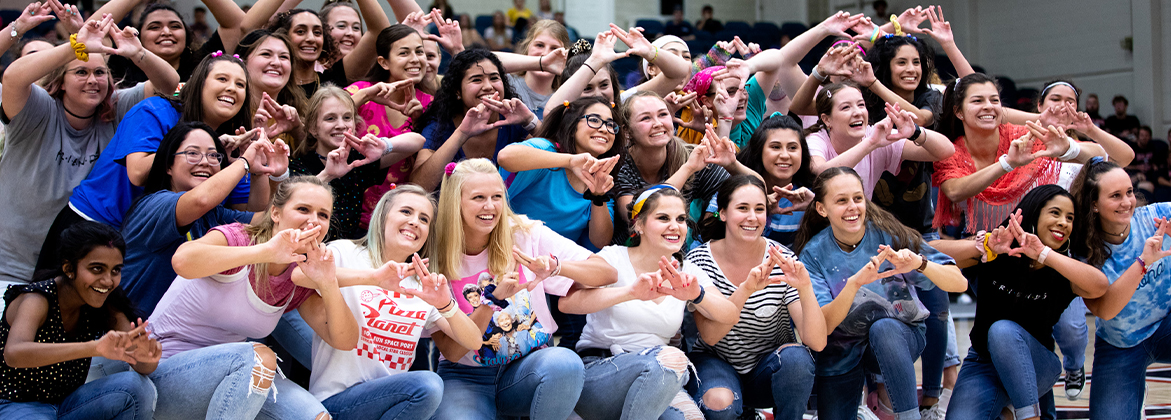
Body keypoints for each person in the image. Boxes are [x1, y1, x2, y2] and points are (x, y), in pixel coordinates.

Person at [147, 176, 355, 420]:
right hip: (161, 368)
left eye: (323, 215)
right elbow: (182, 261)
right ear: (275, 214)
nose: (313, 221)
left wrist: (328, 281)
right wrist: (266, 251)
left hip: (236, 374)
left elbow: (344, 340)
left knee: (317, 418)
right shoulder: (238, 238)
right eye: (303, 209)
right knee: (259, 357)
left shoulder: (298, 274)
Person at [425, 158, 618, 419]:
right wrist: (492, 300)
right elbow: (453, 350)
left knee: (565, 362)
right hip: (467, 376)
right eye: (478, 197)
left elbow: (607, 273)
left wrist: (556, 267)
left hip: (529, 368)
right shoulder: (434, 256)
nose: (490, 206)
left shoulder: (525, 234)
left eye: (496, 196)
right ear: (454, 202)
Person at [40, 53, 256, 273]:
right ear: (199, 83)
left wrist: (259, 169)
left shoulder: (233, 145)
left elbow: (238, 212)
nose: (232, 88)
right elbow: (138, 172)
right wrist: (201, 151)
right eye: (222, 79)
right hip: (92, 223)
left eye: (240, 84)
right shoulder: (156, 110)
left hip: (150, 245)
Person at [0, 16, 176, 283]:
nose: (93, 80)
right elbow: (12, 78)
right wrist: (75, 45)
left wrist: (139, 53)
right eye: (81, 72)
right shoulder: (38, 108)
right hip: (11, 264)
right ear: (60, 82)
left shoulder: (116, 109)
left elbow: (172, 89)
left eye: (100, 72)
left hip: (74, 265)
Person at [792, 167, 967, 420]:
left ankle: (909, 417)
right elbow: (824, 327)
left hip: (898, 337)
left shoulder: (889, 234)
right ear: (822, 208)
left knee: (883, 328)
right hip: (841, 351)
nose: (852, 207)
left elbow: (959, 283)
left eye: (857, 198)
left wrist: (919, 264)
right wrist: (854, 284)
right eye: (841, 201)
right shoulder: (812, 254)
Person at [559, 184, 738, 420]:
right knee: (672, 358)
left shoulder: (689, 270)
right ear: (639, 224)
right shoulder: (612, 257)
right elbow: (567, 303)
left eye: (681, 218)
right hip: (601, 373)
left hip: (662, 378)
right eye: (663, 218)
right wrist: (630, 292)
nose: (675, 226)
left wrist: (697, 295)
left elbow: (730, 314)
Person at [302, 185, 482, 419]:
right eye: (406, 212)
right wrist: (374, 278)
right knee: (427, 385)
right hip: (335, 402)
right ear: (383, 216)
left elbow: (474, 341)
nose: (415, 222)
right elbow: (300, 275)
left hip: (389, 405)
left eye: (424, 219)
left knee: (429, 387)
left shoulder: (422, 284)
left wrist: (445, 305)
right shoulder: (346, 253)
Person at [932, 185, 1107, 420]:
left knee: (1003, 330)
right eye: (1055, 213)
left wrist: (1044, 254)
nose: (1064, 222)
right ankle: (1007, 411)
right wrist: (984, 246)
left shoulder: (1062, 267)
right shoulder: (997, 251)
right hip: (983, 363)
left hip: (1037, 365)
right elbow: (929, 252)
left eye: (1070, 217)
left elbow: (1099, 286)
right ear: (1034, 213)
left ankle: (1028, 416)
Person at [686, 176, 827, 420]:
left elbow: (816, 342)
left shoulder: (782, 258)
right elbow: (710, 336)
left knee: (798, 360)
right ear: (722, 213)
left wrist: (805, 288)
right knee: (719, 404)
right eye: (742, 208)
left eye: (759, 209)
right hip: (716, 362)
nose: (752, 217)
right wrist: (747, 289)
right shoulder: (699, 260)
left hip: (768, 368)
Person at [119, 122, 284, 315]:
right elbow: (201, 200)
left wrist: (272, 176)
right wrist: (244, 162)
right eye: (192, 153)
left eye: (213, 155)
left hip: (184, 334)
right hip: (135, 334)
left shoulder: (213, 213)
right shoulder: (153, 205)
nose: (205, 161)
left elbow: (268, 223)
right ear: (168, 166)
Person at [497, 97, 622, 350]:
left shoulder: (601, 175)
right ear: (572, 124)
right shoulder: (548, 151)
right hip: (507, 256)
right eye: (594, 120)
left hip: (552, 267)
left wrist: (597, 196)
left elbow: (600, 239)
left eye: (611, 125)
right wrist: (569, 160)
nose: (604, 129)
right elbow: (506, 156)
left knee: (579, 317)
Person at [0, 222, 159, 419]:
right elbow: (14, 353)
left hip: (69, 403)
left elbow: (141, 364)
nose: (108, 280)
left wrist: (146, 356)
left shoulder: (105, 302)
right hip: (15, 403)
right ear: (69, 268)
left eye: (115, 270)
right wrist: (94, 347)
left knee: (136, 388)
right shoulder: (37, 299)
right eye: (97, 269)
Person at [933, 73, 1106, 236]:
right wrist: (1008, 163)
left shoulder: (1023, 135)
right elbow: (954, 191)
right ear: (959, 112)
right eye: (977, 101)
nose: (988, 106)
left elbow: (1100, 155)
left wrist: (1068, 148)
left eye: (994, 100)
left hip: (1036, 242)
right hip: (983, 246)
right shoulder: (950, 149)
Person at [1065, 158, 1171, 419]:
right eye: (1115, 196)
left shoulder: (1157, 218)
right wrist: (1143, 261)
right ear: (1094, 205)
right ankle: (1136, 392)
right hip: (1121, 344)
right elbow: (1106, 309)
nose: (1127, 202)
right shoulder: (1081, 253)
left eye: (1130, 192)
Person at [290, 85, 425, 240]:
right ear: (313, 128)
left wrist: (384, 146)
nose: (341, 125)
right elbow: (289, 202)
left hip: (346, 252)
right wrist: (327, 175)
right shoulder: (298, 165)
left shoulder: (357, 160)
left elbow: (418, 141)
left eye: (347, 118)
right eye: (330, 118)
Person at [614, 91, 759, 233]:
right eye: (646, 118)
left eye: (663, 114)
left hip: (678, 253)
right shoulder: (619, 163)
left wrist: (732, 165)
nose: (658, 123)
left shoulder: (688, 153)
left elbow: (756, 191)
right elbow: (634, 215)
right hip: (630, 252)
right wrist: (688, 168)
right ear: (626, 131)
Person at [411, 49, 539, 191]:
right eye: (476, 80)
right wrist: (462, 134)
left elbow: (559, 152)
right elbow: (418, 187)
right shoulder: (440, 125)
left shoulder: (514, 120)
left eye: (494, 78)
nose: (488, 86)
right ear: (457, 91)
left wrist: (530, 121)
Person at [801, 81, 954, 196]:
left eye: (861, 105)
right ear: (826, 120)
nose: (857, 112)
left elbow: (946, 151)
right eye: (846, 107)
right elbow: (823, 172)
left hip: (862, 225)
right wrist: (871, 144)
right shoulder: (816, 139)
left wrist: (915, 132)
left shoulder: (874, 134)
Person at [267, 2, 388, 97]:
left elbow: (380, 31)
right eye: (300, 31)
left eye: (317, 32)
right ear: (283, 37)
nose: (311, 38)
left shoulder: (333, 78)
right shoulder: (270, 82)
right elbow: (248, 26)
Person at [505, 20, 569, 118]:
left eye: (554, 48)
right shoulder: (507, 83)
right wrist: (540, 63)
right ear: (527, 48)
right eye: (539, 45)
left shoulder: (565, 98)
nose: (546, 53)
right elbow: (484, 60)